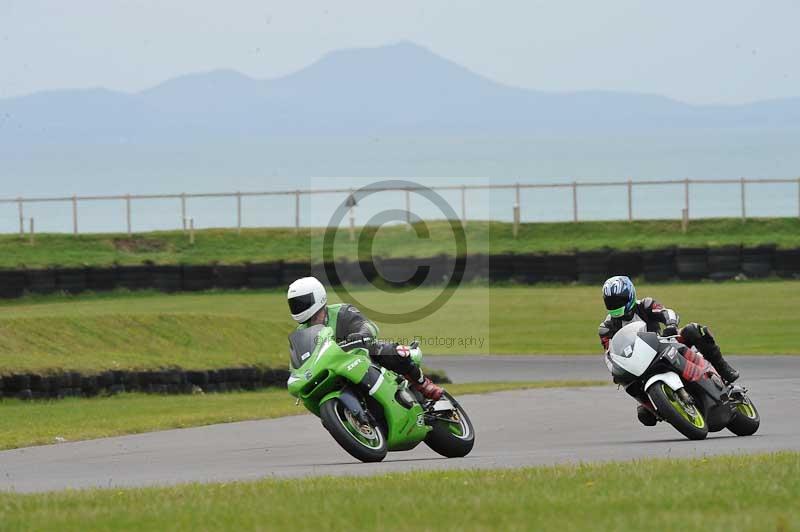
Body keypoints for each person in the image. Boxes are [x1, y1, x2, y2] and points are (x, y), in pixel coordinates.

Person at [598, 275, 740, 426]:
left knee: (694, 330)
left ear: (631, 295)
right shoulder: (606, 327)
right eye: (611, 302)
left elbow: (667, 312)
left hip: (664, 344)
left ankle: (723, 370)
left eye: (619, 300)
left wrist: (671, 325)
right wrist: (614, 368)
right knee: (640, 407)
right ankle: (651, 406)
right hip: (637, 363)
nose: (615, 305)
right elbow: (610, 352)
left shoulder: (646, 304)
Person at [287, 276, 444, 401]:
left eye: (302, 302)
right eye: (295, 303)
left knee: (387, 351)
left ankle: (423, 384)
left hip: (362, 354)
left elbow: (367, 325)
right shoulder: (302, 333)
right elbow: (298, 362)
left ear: (319, 297)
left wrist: (362, 335)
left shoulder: (342, 311)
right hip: (334, 369)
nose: (299, 307)